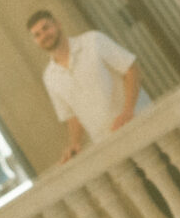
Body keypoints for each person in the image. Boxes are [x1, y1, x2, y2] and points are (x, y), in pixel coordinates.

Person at [28, 10, 151, 163]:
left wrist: (128, 111)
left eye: (46, 28)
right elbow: (71, 116)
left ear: (58, 24)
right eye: (37, 35)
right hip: (109, 146)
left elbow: (131, 69)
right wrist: (74, 144)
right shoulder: (49, 77)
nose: (44, 36)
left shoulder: (93, 41)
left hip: (140, 123)